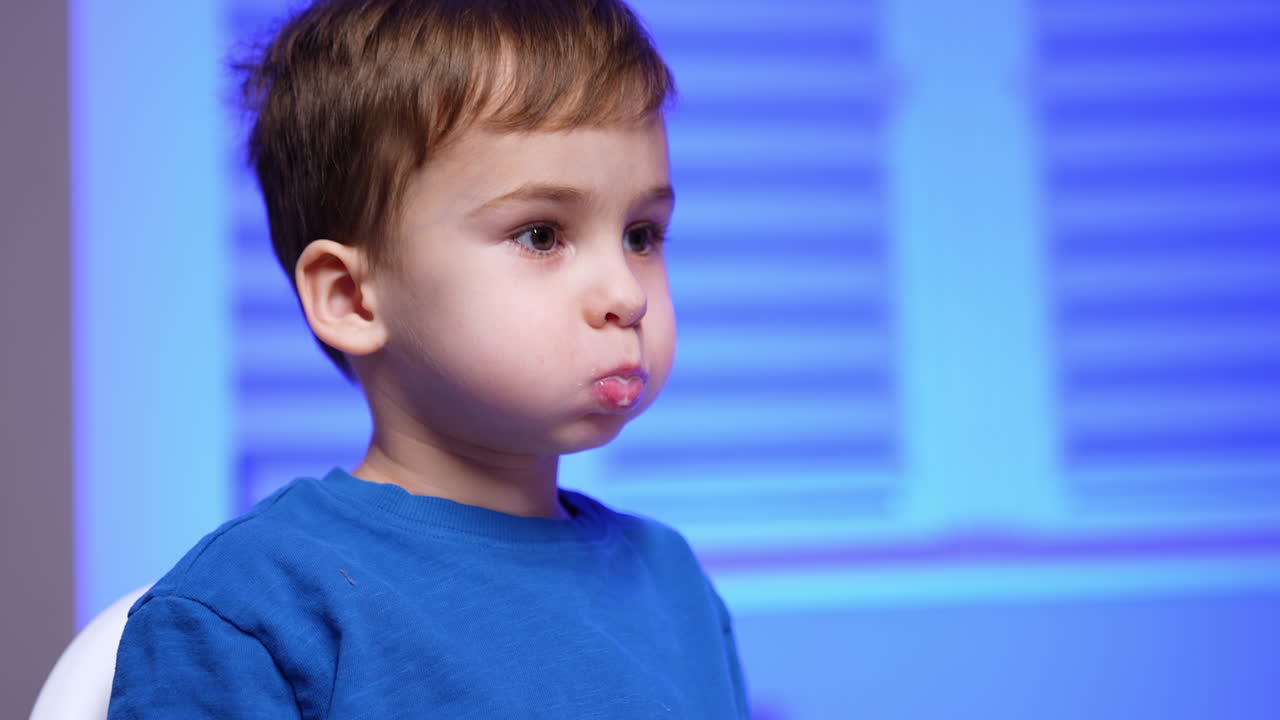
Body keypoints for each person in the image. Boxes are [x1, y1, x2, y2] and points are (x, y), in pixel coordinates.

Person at [107, 1, 749, 717]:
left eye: (641, 235)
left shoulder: (673, 585)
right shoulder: (254, 610)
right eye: (541, 234)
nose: (625, 294)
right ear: (352, 297)